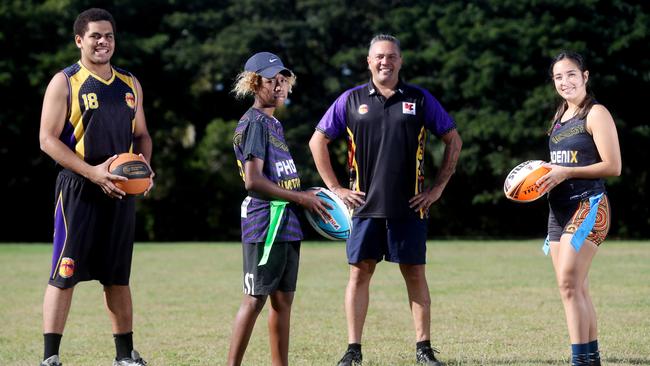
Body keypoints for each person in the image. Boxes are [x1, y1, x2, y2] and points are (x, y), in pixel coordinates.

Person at [309, 34, 462, 366]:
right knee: (359, 275)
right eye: (379, 56)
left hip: (410, 206)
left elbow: (453, 139)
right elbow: (317, 141)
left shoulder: (420, 99)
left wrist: (437, 189)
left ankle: (423, 349)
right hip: (363, 207)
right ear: (368, 61)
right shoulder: (350, 100)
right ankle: (353, 349)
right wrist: (335, 187)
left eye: (391, 56)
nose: (385, 62)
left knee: (416, 274)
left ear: (400, 61)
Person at [38, 8, 153, 366]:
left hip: (120, 188)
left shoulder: (130, 83)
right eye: (95, 36)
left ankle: (124, 356)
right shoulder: (65, 81)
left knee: (117, 277)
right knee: (65, 273)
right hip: (78, 187)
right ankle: (50, 357)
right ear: (79, 41)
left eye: (109, 36)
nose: (103, 42)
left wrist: (145, 169)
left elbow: (142, 135)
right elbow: (47, 139)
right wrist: (92, 172)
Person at [227, 52, 331, 366]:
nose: (279, 85)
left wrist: (304, 192)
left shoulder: (273, 123)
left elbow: (279, 178)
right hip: (265, 224)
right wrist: (300, 199)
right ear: (254, 83)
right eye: (272, 80)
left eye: (283, 79)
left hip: (286, 223)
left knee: (283, 301)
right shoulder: (255, 122)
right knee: (254, 298)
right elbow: (253, 181)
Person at [536, 51, 621, 366]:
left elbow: (613, 166)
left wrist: (566, 172)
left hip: (590, 206)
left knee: (569, 283)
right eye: (558, 77)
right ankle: (591, 358)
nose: (564, 82)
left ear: (585, 76)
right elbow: (560, 165)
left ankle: (580, 362)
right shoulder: (559, 115)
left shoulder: (596, 113)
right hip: (557, 212)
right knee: (575, 287)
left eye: (571, 74)